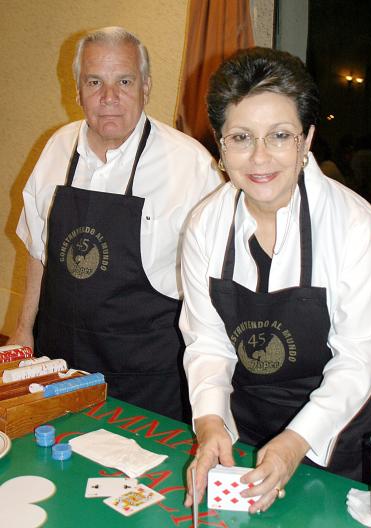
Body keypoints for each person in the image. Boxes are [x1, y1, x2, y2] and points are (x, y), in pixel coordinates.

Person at [180, 47, 371, 513]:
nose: (259, 158)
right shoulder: (204, 225)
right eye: (240, 137)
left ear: (307, 139)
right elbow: (208, 342)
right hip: (250, 430)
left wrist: (296, 441)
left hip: (338, 438)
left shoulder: (352, 222)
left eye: (279, 135)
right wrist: (211, 421)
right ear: (220, 144)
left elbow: (360, 356)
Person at [8, 27, 221, 422]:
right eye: (95, 82)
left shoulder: (192, 166)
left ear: (146, 87)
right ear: (77, 91)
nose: (109, 97)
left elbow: (214, 288)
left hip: (146, 375)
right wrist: (23, 332)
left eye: (124, 81)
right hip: (60, 363)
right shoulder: (57, 147)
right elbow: (38, 249)